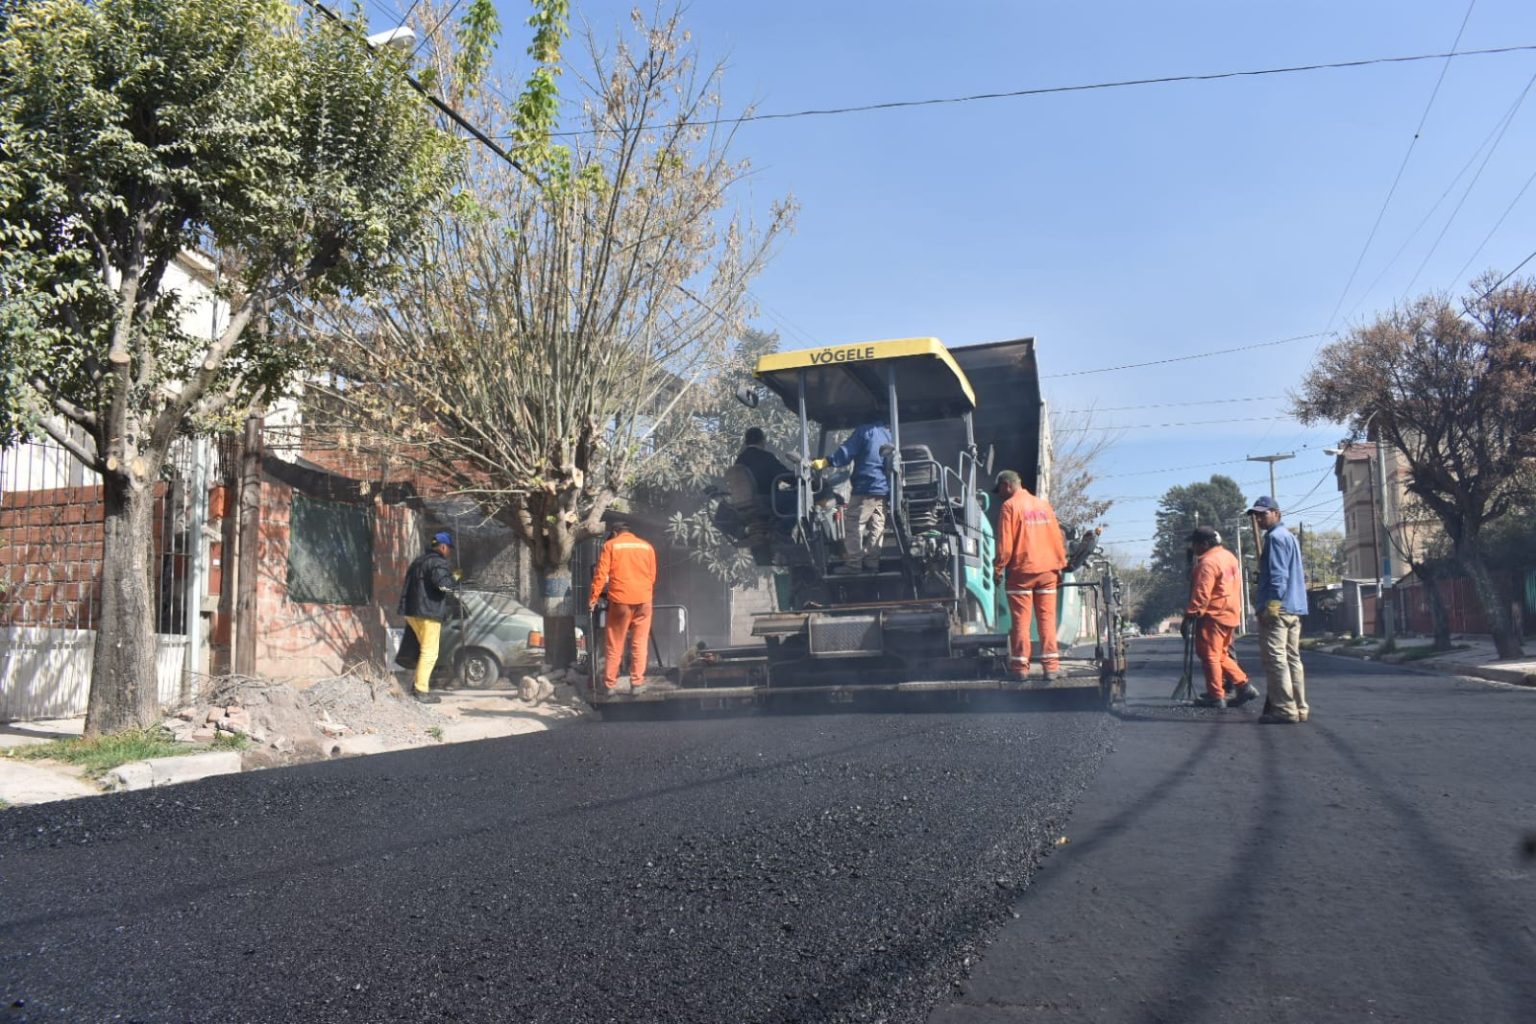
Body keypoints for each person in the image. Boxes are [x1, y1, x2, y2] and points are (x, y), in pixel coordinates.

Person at [993, 470, 1068, 681]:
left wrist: (998, 568)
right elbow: (1057, 537)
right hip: (1048, 571)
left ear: (1007, 485)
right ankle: (1051, 668)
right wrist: (1060, 564)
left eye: (999, 490)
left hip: (1022, 572)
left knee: (1021, 622)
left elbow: (1005, 545)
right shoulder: (1044, 506)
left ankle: (1020, 669)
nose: (999, 494)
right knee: (1047, 620)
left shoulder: (1009, 507)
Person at [1182, 525, 1259, 708]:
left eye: (1195, 544)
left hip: (1214, 615)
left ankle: (1216, 695)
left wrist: (1190, 616)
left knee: (1209, 655)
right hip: (1231, 613)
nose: (1193, 548)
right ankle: (1243, 684)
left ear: (1205, 544)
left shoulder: (1208, 563)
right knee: (1221, 654)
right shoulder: (1229, 557)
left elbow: (1202, 593)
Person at [1248, 495, 1309, 723]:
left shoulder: (1274, 539)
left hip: (1279, 610)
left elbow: (1279, 576)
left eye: (1263, 514)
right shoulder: (1289, 536)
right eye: (1257, 515)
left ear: (1276, 513)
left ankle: (1284, 709)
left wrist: (1271, 606)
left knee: (1276, 660)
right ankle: (1300, 707)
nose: (1260, 519)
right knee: (1293, 659)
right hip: (1294, 608)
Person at [811, 415, 892, 573]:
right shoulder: (887, 433)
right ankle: (872, 562)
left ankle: (854, 565)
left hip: (865, 487)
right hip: (882, 488)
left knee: (853, 525)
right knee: (877, 525)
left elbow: (845, 453)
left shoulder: (864, 431)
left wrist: (825, 462)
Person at [589, 520, 658, 693]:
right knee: (640, 642)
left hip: (620, 601)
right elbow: (652, 576)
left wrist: (593, 598)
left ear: (614, 533)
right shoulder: (647, 546)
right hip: (644, 601)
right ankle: (636, 683)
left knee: (615, 643)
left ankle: (609, 684)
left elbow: (600, 575)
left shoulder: (611, 546)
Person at [397, 530, 460, 704]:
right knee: (430, 652)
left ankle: (414, 686)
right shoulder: (438, 562)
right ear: (443, 547)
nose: (449, 553)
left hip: (412, 612)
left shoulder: (418, 562)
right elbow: (444, 586)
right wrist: (455, 578)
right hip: (428, 613)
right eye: (449, 549)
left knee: (422, 650)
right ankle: (421, 691)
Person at [734, 427, 793, 500]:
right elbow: (784, 475)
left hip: (743, 504)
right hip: (766, 502)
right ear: (762, 441)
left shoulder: (739, 460)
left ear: (746, 442)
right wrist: (800, 478)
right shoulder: (766, 457)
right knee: (794, 498)